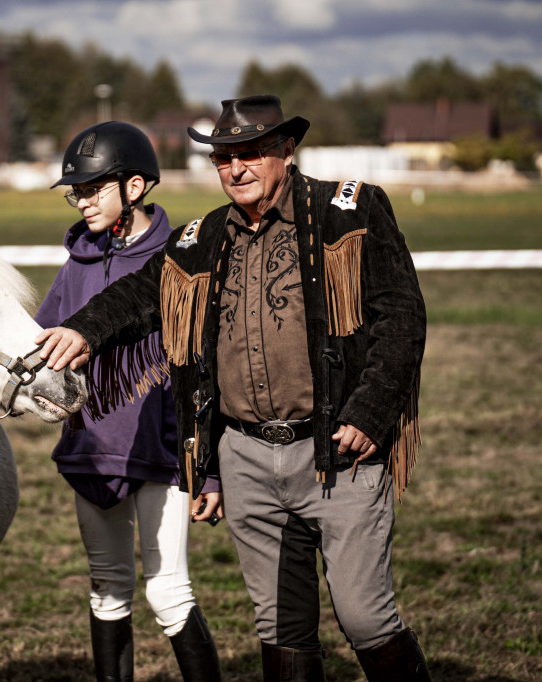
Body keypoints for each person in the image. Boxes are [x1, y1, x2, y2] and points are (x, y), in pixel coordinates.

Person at [36, 96, 430, 682]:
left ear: (285, 151)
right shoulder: (204, 236)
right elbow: (142, 294)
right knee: (281, 629)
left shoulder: (351, 211)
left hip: (337, 452)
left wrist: (371, 413)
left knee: (365, 617)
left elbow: (401, 317)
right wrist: (84, 332)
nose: (236, 169)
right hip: (246, 458)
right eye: (224, 158)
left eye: (251, 153)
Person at [35, 121, 222, 681]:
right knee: (107, 589)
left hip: (161, 453)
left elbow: (206, 368)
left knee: (168, 593)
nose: (82, 201)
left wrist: (206, 471)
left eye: (94, 188)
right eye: (77, 191)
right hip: (92, 451)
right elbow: (42, 342)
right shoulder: (77, 264)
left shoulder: (180, 259)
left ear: (135, 188)